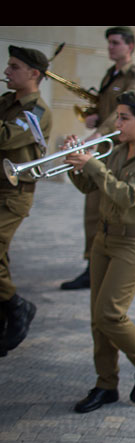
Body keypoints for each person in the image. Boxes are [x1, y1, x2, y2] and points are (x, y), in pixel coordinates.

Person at [64, 91, 135, 413]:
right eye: (117, 116)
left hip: (134, 245)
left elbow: (128, 196)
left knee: (110, 313)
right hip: (104, 239)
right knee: (98, 319)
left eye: (123, 117)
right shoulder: (117, 150)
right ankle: (105, 385)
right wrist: (74, 162)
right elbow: (88, 187)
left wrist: (93, 165)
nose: (117, 123)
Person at [60, 26, 135, 291]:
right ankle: (93, 261)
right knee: (97, 203)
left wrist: (100, 131)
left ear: (129, 46)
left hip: (114, 141)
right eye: (109, 43)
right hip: (112, 144)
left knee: (128, 206)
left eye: (116, 43)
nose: (110, 47)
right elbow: (112, 110)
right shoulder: (111, 74)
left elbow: (126, 113)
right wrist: (93, 117)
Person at [0, 46, 52, 357]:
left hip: (14, 193)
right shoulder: (8, 101)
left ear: (34, 74)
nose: (7, 72)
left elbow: (6, 137)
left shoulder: (38, 111)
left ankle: (17, 306)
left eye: (14, 67)